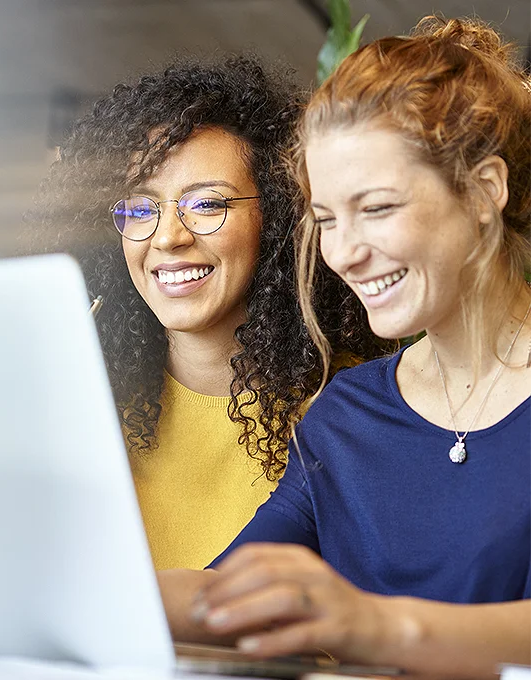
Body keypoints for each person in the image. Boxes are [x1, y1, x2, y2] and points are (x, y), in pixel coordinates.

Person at [159, 17, 531, 677]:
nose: (345, 254)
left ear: (484, 191)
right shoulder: (345, 417)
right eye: (327, 220)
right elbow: (227, 594)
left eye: (378, 208)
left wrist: (374, 624)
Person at [26, 55, 380, 571]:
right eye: (141, 209)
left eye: (207, 204)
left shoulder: (351, 409)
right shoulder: (83, 409)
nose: (169, 237)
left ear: (277, 216)